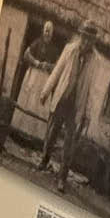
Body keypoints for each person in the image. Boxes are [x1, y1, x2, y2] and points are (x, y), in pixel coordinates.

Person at [38, 21, 98, 188]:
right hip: (62, 99)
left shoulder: (95, 61)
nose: (86, 42)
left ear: (94, 42)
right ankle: (44, 160)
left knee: (69, 144)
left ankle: (62, 178)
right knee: (52, 133)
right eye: (84, 38)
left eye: (90, 40)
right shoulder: (69, 50)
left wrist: (88, 114)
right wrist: (45, 91)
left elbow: (93, 90)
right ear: (81, 36)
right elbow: (57, 72)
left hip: (75, 106)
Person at [11, 20, 63, 141]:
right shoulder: (37, 43)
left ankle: (34, 137)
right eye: (46, 29)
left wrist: (48, 66)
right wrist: (36, 62)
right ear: (43, 30)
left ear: (52, 34)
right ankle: (18, 132)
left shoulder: (54, 50)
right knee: (28, 101)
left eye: (50, 30)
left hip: (44, 80)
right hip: (33, 76)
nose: (47, 32)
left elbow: (58, 66)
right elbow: (26, 54)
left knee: (39, 105)